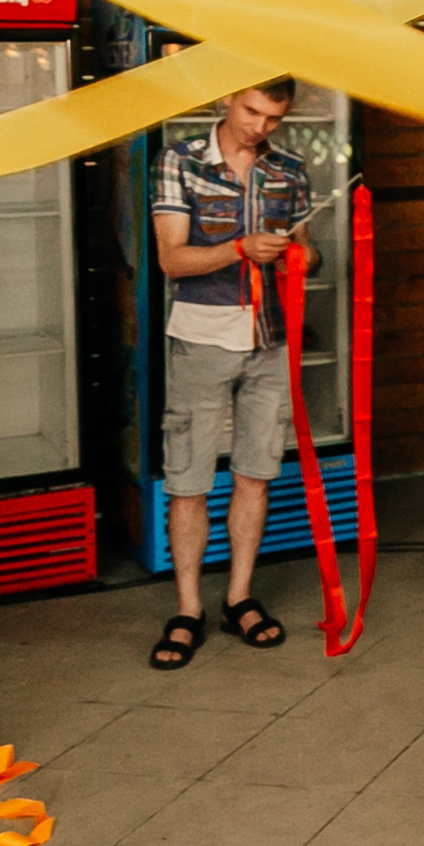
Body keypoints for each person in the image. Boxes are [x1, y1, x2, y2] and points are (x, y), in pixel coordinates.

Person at [146, 78, 316, 669]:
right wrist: (239, 249)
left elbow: (304, 246)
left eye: (273, 118)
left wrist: (302, 254)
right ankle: (188, 607)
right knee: (188, 478)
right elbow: (172, 259)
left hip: (271, 339)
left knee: (255, 473)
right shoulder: (179, 161)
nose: (259, 128)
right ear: (226, 97)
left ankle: (238, 596)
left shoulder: (289, 168)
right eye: (250, 111)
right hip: (201, 337)